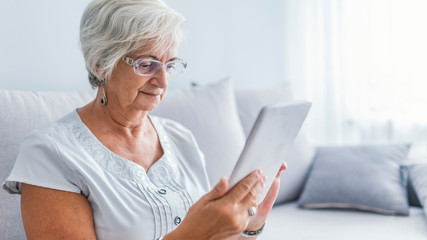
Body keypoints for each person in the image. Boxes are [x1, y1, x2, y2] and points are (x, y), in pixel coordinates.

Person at [3, 0, 287, 239]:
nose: (163, 80)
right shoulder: (49, 153)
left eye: (170, 65)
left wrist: (251, 223)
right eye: (146, 64)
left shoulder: (180, 138)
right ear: (101, 64)